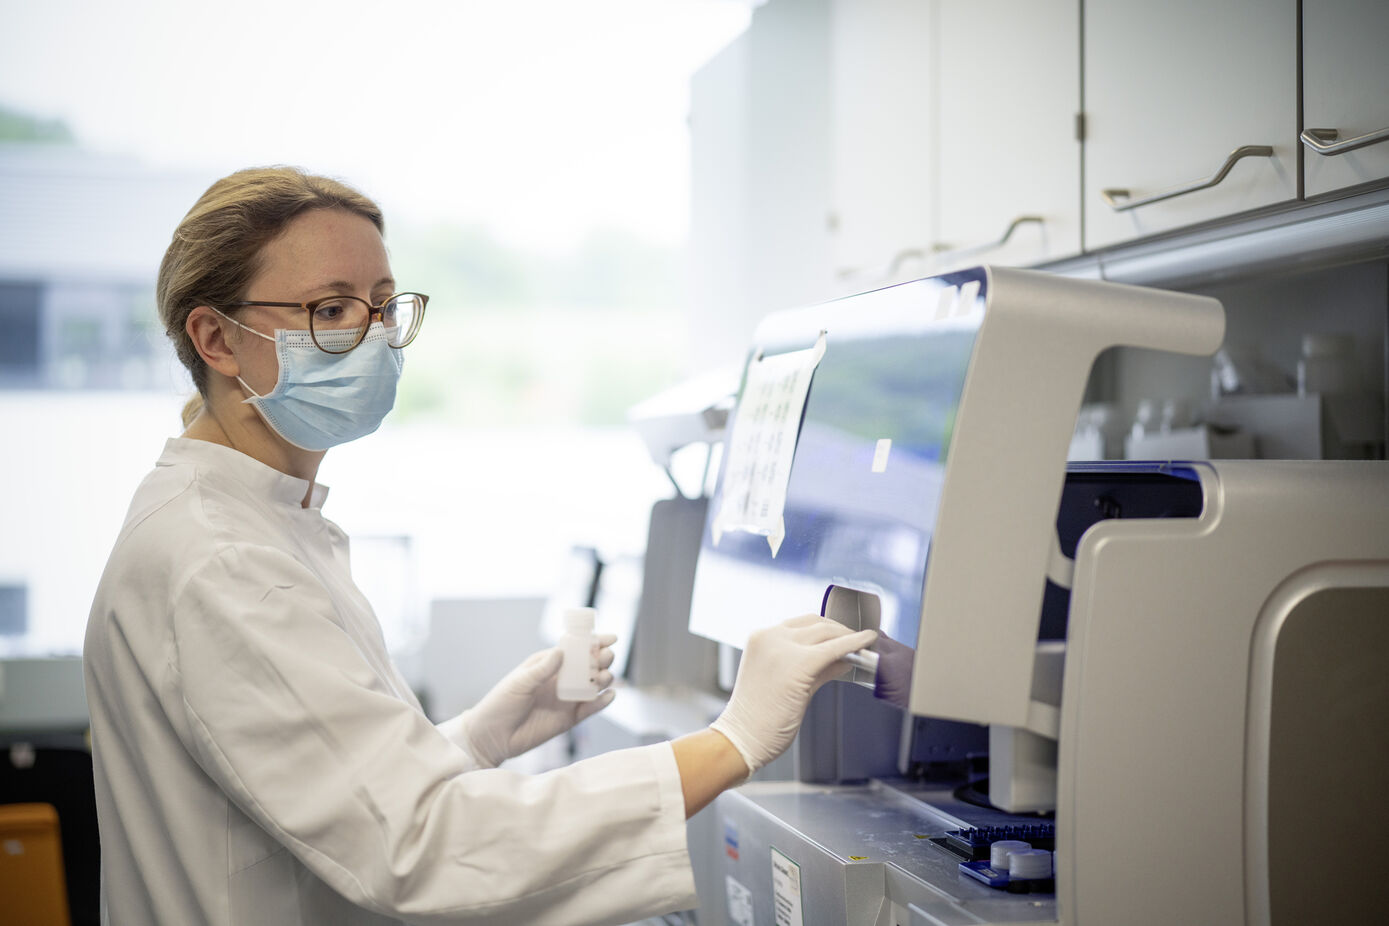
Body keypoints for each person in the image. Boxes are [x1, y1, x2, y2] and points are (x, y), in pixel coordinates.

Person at [83, 166, 877, 926]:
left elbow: (333, 796)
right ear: (216, 340)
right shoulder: (222, 560)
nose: (372, 339)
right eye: (330, 311)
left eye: (383, 306)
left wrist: (473, 739)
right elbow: (421, 847)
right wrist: (732, 740)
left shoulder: (253, 524)